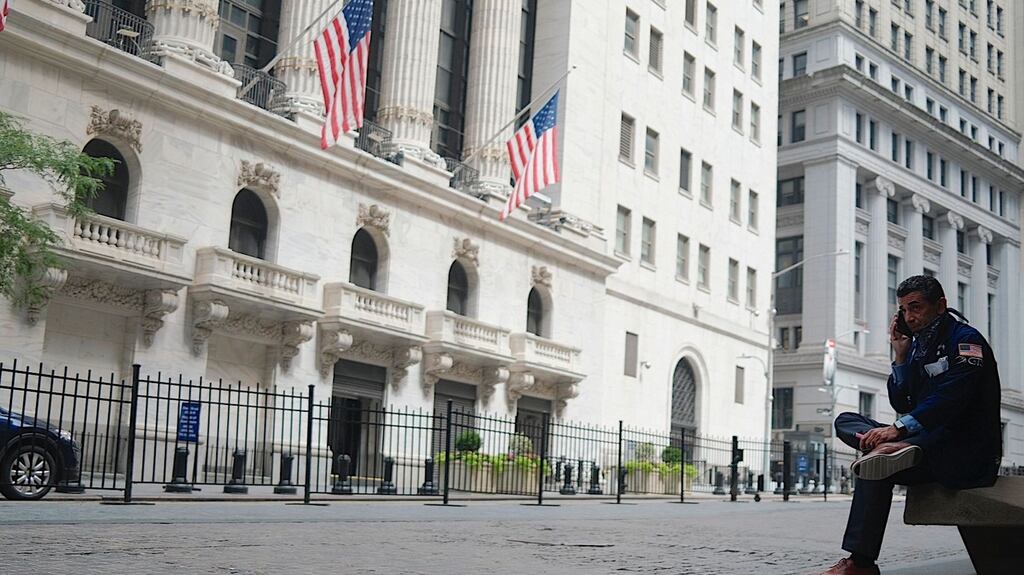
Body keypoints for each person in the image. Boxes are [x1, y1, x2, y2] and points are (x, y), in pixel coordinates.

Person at [813, 275, 1002, 575]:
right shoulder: (917, 346)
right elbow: (903, 401)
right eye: (903, 309)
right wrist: (900, 357)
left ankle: (860, 563)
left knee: (875, 464)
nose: (909, 317)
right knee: (846, 421)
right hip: (922, 441)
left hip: (962, 451)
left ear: (940, 305)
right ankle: (896, 449)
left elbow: (951, 398)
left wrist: (900, 431)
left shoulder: (966, 341)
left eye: (916, 307)